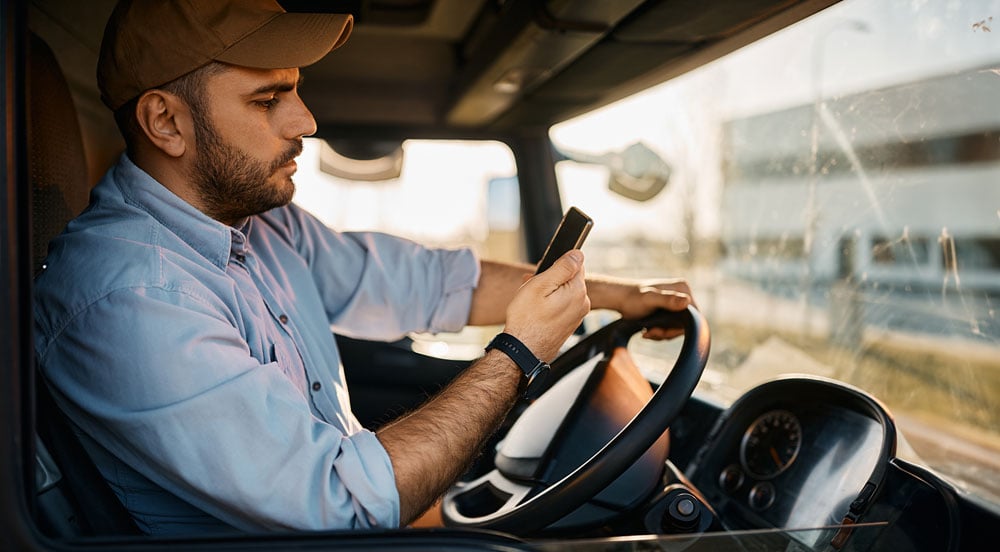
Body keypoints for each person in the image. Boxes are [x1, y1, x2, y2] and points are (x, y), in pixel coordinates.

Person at [33, 0, 694, 536]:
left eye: (296, 90)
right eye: (267, 99)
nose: (305, 121)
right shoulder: (130, 297)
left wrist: (614, 295)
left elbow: (427, 283)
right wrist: (519, 352)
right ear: (165, 122)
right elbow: (341, 505)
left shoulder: (257, 224)